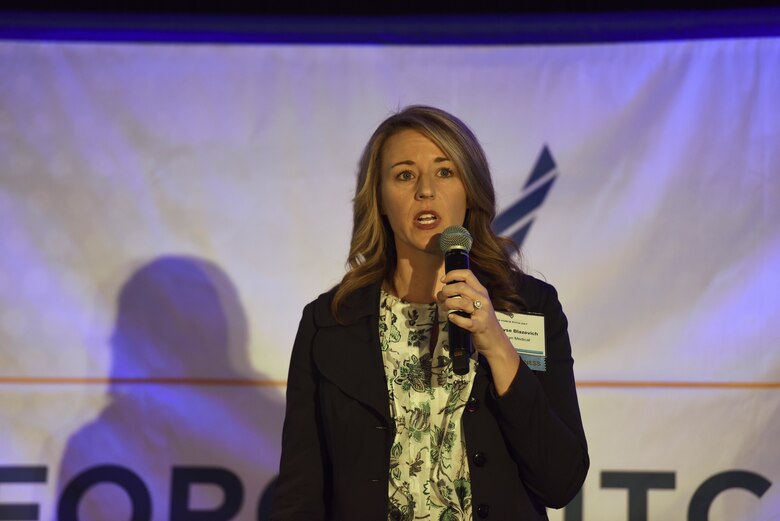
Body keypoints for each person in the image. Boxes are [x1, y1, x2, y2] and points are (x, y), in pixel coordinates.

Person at [270, 105, 588, 521]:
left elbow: (560, 481)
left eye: (444, 172)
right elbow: (300, 493)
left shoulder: (529, 306)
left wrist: (496, 343)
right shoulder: (330, 321)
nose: (425, 190)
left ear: (470, 189)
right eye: (404, 175)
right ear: (380, 199)